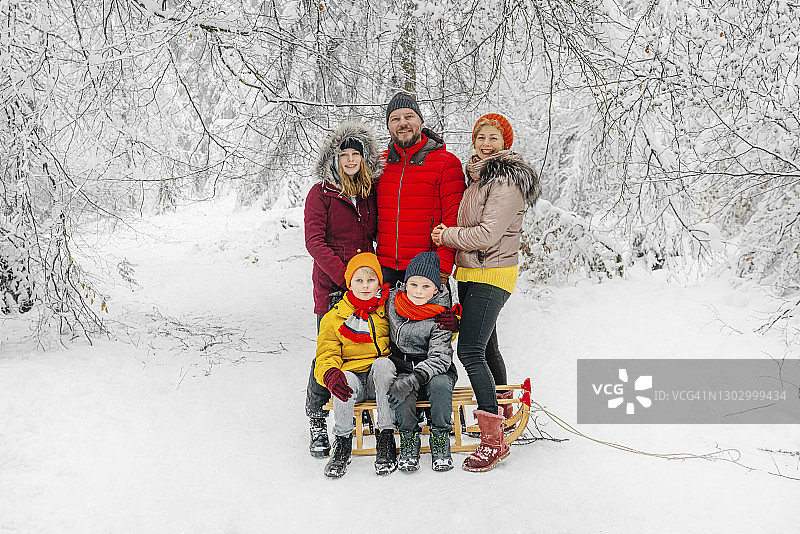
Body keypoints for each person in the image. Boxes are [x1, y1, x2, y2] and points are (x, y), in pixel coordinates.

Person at [431, 113, 540, 472]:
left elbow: (487, 234)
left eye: (494, 137)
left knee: (470, 350)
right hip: (474, 271)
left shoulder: (506, 180)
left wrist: (446, 236)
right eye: (482, 136)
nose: (487, 143)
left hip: (492, 272)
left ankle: (493, 440)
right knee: (488, 346)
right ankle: (502, 412)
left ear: (506, 143)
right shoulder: (479, 177)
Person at [304, 122, 382, 458]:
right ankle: (317, 419)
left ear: (365, 159)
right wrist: (346, 278)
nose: (350, 159)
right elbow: (314, 242)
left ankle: (362, 411)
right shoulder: (320, 194)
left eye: (356, 154)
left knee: (367, 346)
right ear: (333, 159)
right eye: (344, 154)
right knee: (327, 350)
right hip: (334, 287)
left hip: (366, 287)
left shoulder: (368, 192)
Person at [313, 252, 398, 478]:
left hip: (378, 381)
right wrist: (329, 373)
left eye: (371, 280)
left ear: (379, 282)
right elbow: (326, 354)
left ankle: (386, 437)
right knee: (344, 378)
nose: (365, 286)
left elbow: (416, 333)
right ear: (349, 283)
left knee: (383, 364)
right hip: (353, 385)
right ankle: (342, 444)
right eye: (359, 280)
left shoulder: (388, 309)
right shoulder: (334, 317)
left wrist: (448, 326)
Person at [376, 92, 466, 295]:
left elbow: (453, 220)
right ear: (388, 126)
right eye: (395, 119)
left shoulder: (445, 162)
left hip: (426, 273)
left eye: (409, 116)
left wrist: (440, 270)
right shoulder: (379, 164)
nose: (402, 123)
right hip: (385, 271)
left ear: (421, 121)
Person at [385, 251, 459, 472]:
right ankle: (409, 438)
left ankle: (440, 437)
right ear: (405, 284)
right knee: (401, 389)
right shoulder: (393, 302)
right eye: (414, 284)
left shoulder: (440, 315)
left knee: (439, 385)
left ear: (436, 289)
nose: (418, 291)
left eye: (426, 286)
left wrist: (414, 378)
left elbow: (440, 357)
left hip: (435, 368)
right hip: (403, 364)